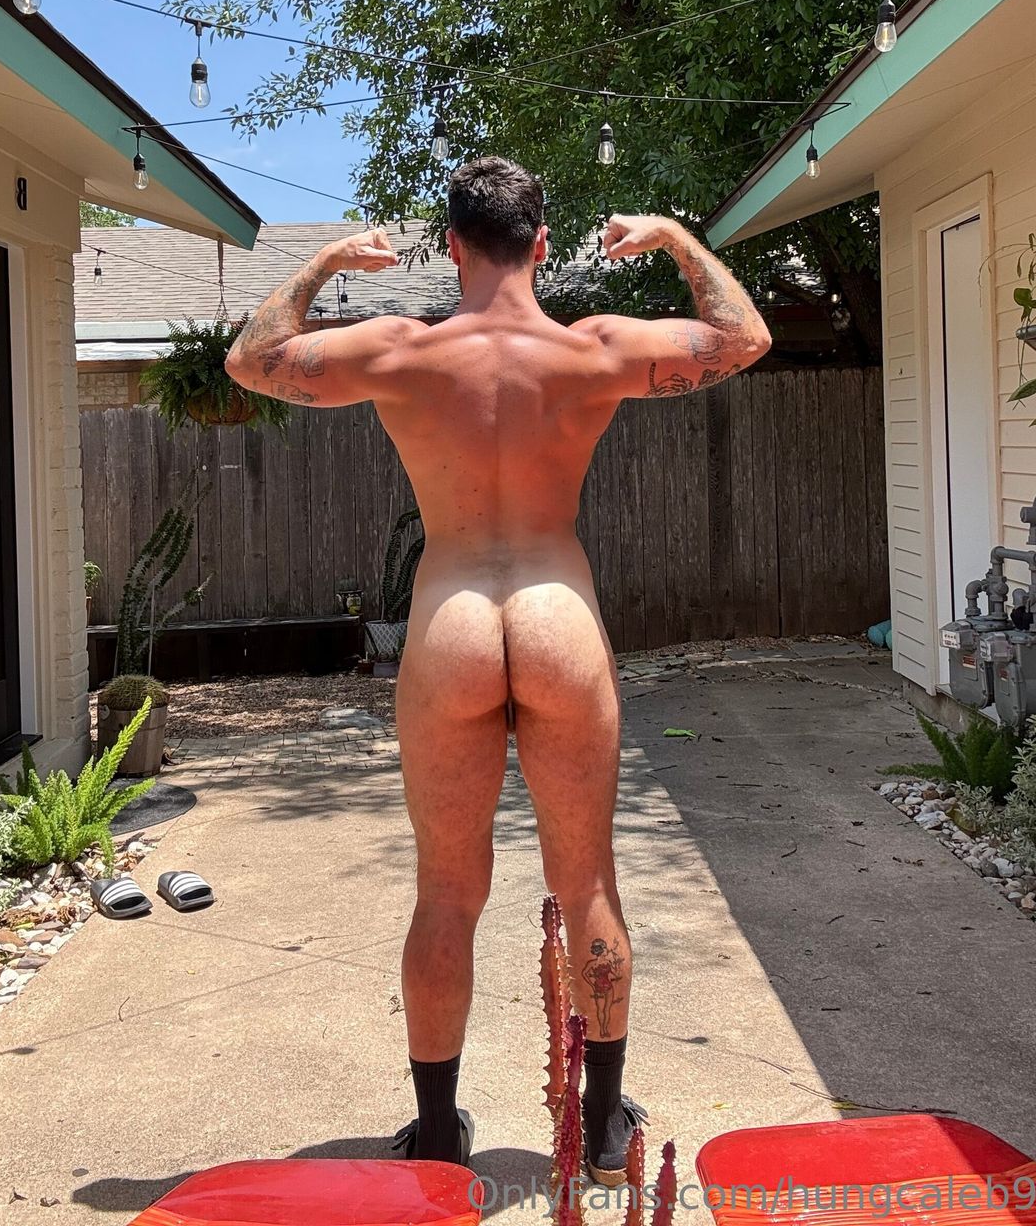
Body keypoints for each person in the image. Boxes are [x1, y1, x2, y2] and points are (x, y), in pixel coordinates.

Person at [226, 156, 771, 1179]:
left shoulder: (401, 349)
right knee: (587, 877)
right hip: (560, 616)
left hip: (451, 623)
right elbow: (744, 337)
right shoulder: (592, 348)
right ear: (544, 245)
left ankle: (438, 1137)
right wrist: (673, 239)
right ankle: (601, 1130)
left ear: (453, 247)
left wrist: (327, 263)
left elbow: (253, 359)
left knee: (446, 889)